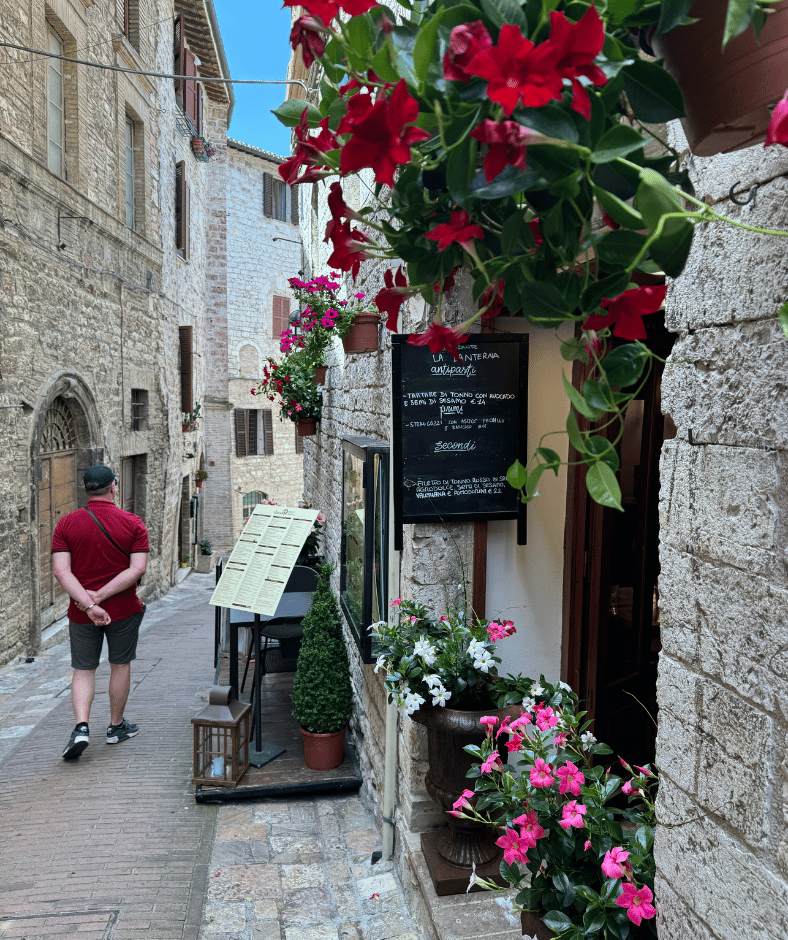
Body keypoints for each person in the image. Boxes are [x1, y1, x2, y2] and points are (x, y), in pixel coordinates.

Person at [51, 464, 149, 759]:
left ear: (85, 489)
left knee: (83, 670)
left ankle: (81, 727)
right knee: (120, 665)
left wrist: (89, 604)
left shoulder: (66, 524)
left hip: (81, 612)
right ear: (113, 487)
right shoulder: (133, 523)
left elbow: (60, 572)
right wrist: (103, 597)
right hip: (123, 609)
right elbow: (138, 568)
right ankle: (115, 727)